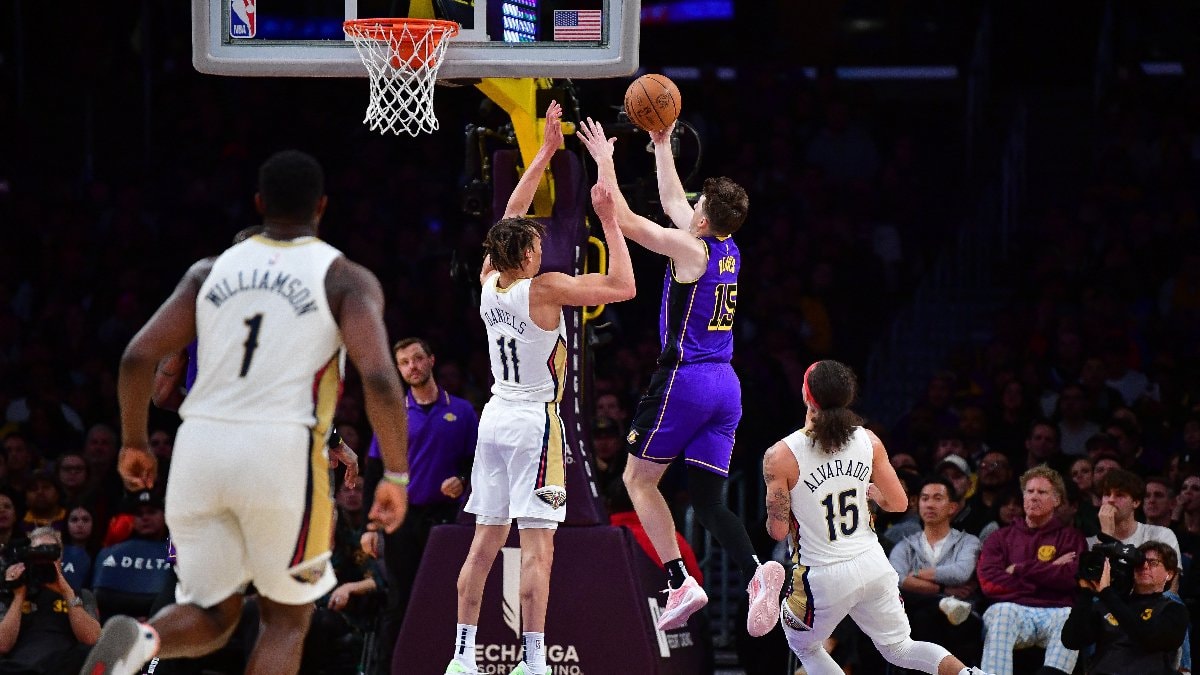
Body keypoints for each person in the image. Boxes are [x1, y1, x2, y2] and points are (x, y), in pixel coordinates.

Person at [80, 149, 411, 675]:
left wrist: (135, 443)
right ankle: (144, 641)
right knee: (286, 620)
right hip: (282, 453)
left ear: (259, 204)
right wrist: (394, 473)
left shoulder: (206, 272)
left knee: (214, 614)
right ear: (321, 207)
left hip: (198, 451)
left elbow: (137, 358)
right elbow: (379, 379)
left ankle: (144, 637)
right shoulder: (345, 278)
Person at [445, 102, 637, 675]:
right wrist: (608, 217)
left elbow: (510, 214)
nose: (539, 247)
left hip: (494, 418)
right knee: (538, 550)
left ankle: (462, 657)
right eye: (534, 244)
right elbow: (624, 285)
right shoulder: (546, 289)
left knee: (483, 544)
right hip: (534, 423)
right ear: (526, 255)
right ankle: (532, 661)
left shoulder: (489, 281)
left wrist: (547, 151)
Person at [576, 117, 785, 635]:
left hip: (684, 381)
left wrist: (604, 161)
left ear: (703, 219)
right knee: (709, 501)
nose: (689, 207)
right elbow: (672, 200)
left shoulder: (692, 248)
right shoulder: (728, 248)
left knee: (637, 479)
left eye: (697, 206)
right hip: (726, 385)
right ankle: (757, 573)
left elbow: (627, 219)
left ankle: (679, 581)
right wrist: (662, 143)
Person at [761, 359, 990, 675]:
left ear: (806, 395)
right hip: (872, 564)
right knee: (901, 648)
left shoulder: (780, 455)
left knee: (804, 645)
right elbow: (899, 503)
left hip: (823, 573)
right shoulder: (868, 439)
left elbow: (777, 531)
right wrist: (874, 495)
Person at [360, 337, 477, 672]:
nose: (412, 366)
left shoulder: (463, 411)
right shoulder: (394, 414)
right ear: (398, 370)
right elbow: (374, 472)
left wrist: (463, 479)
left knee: (449, 599)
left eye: (417, 358)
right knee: (400, 600)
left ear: (431, 360)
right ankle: (388, 669)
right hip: (402, 520)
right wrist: (370, 527)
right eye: (404, 362)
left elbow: (479, 462)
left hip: (447, 519)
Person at [976, 465, 1087, 675]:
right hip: (1013, 610)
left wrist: (1021, 569)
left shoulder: (1072, 538)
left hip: (1056, 611)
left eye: (1042, 492)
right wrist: (1050, 571)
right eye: (1030, 491)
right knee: (1002, 612)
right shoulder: (999, 538)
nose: (1034, 497)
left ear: (1057, 500)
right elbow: (989, 583)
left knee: (1072, 617)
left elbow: (1073, 579)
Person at [889, 476, 984, 662]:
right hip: (917, 617)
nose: (930, 504)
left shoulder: (968, 542)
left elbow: (960, 573)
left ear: (952, 507)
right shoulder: (904, 546)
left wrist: (916, 575)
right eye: (925, 499)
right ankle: (941, 602)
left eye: (937, 498)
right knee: (918, 616)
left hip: (961, 616)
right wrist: (942, 589)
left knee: (922, 617)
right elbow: (896, 579)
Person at [1061, 541, 1188, 673]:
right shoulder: (1108, 603)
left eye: (1153, 563)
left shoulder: (1174, 609)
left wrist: (1107, 594)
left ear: (1169, 574)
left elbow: (1148, 639)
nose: (1144, 566)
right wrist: (1086, 593)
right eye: (1140, 562)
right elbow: (1071, 641)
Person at [0, 526, 101, 674]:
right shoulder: (12, 592)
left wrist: (67, 592)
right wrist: (19, 596)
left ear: (61, 558)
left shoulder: (80, 595)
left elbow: (92, 639)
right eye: (38, 553)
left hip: (62, 666)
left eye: (51, 554)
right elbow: (2, 645)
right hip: (18, 668)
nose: (45, 561)